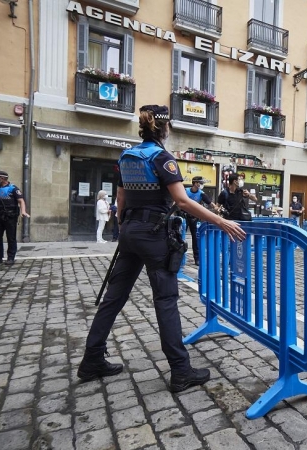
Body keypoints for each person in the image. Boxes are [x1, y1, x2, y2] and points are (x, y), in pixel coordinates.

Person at [77, 105, 246, 393]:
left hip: (130, 232)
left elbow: (121, 196)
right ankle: (181, 371)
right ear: (165, 129)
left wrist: (125, 226)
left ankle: (91, 360)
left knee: (113, 299)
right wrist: (221, 220)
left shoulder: (127, 155)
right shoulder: (162, 158)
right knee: (165, 300)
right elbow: (181, 201)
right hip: (154, 234)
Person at [0, 170, 29, 266]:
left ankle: (10, 258)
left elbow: (21, 201)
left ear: (2, 178)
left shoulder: (13, 188)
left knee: (11, 238)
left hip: (10, 217)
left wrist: (23, 211)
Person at [185, 176, 216, 262]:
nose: (202, 185)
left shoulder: (201, 193)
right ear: (195, 183)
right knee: (180, 236)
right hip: (184, 216)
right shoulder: (185, 191)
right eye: (200, 183)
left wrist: (216, 208)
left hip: (194, 218)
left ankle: (197, 258)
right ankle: (179, 258)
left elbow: (210, 203)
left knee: (195, 238)